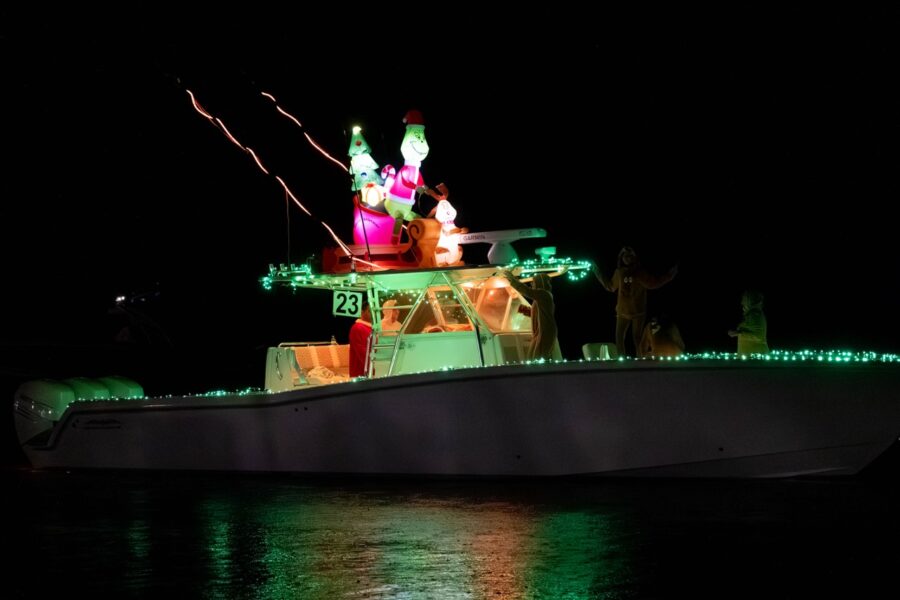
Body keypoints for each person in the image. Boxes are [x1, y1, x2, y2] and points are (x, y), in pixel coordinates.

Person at [591, 246, 677, 358]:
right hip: (622, 311)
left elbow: (653, 283)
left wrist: (669, 275)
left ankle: (640, 360)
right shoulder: (619, 272)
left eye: (630, 256)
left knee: (637, 337)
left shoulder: (639, 272)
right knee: (619, 337)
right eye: (625, 256)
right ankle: (622, 360)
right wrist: (596, 270)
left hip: (638, 311)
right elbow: (611, 286)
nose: (627, 259)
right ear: (621, 258)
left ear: (634, 257)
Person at [500, 270, 561, 361]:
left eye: (534, 282)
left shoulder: (544, 294)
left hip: (546, 331)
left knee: (539, 358)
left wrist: (513, 280)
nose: (532, 285)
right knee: (532, 358)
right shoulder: (540, 297)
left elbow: (527, 291)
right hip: (540, 331)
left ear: (540, 283)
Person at [728, 290, 769, 355]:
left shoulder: (755, 314)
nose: (741, 302)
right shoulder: (752, 314)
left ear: (750, 300)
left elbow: (759, 336)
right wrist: (738, 333)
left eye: (744, 299)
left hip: (755, 357)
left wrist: (739, 333)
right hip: (750, 356)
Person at [348, 301, 373, 377]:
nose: (372, 314)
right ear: (362, 312)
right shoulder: (357, 328)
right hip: (360, 374)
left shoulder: (372, 328)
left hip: (370, 371)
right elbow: (362, 353)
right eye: (369, 311)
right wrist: (374, 368)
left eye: (374, 311)